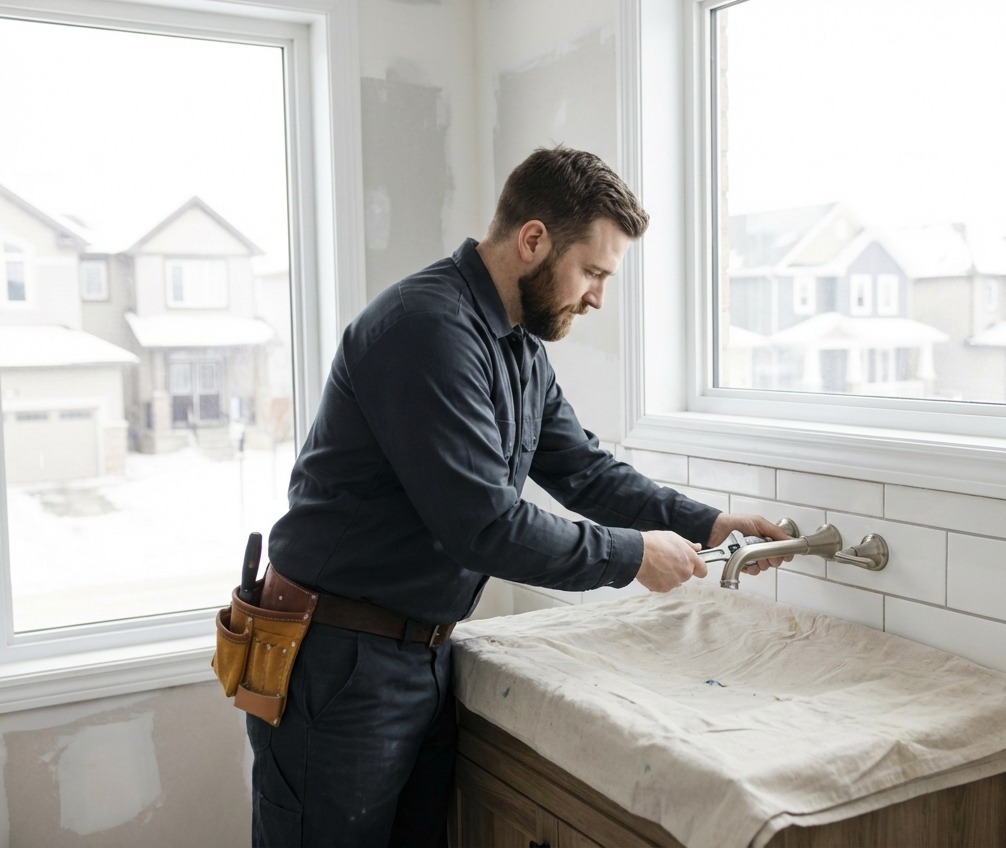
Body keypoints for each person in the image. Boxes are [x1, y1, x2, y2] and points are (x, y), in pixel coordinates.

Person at [250, 145, 791, 847]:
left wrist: (709, 524)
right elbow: (483, 525)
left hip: (422, 657)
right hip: (338, 659)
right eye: (592, 271)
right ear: (533, 239)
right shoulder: (426, 329)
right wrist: (632, 557)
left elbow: (584, 470)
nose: (598, 296)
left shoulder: (519, 346)